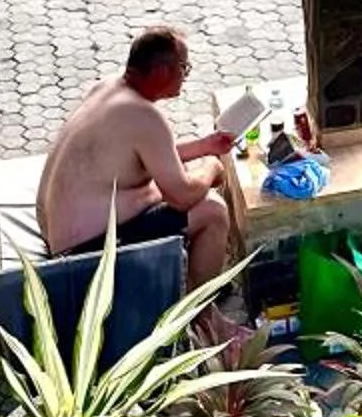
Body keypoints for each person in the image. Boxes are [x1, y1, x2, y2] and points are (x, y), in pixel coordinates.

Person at [36, 23, 236, 279]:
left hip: (60, 233)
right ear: (163, 72)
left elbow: (144, 156)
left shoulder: (107, 87)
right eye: (184, 68)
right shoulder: (145, 116)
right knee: (212, 210)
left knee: (174, 176)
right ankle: (205, 317)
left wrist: (203, 146)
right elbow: (182, 197)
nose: (186, 76)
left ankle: (195, 274)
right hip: (83, 258)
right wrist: (211, 165)